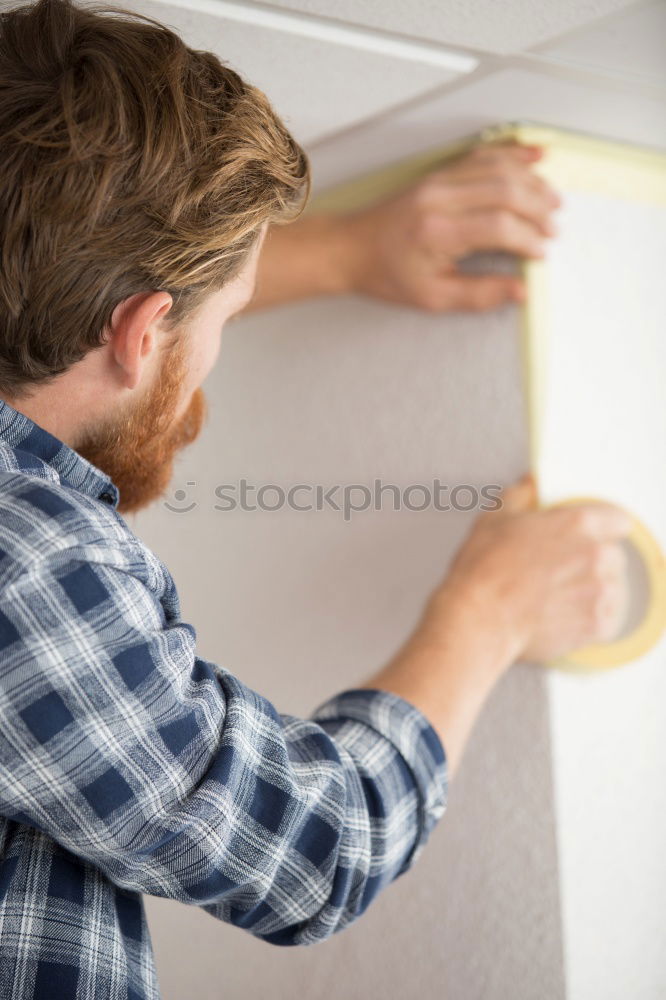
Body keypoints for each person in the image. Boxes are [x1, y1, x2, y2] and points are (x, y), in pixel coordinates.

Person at [0, 0, 631, 997]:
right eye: (226, 317)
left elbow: (102, 311)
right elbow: (308, 852)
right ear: (142, 329)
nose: (210, 367)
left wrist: (350, 253)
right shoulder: (26, 554)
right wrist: (490, 611)